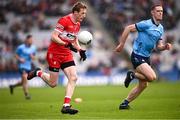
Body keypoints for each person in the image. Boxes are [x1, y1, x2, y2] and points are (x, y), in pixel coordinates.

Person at [27, 2, 87, 114]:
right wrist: (65, 44)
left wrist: (80, 50)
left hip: (66, 54)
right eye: (82, 13)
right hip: (54, 53)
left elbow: (74, 39)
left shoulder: (78, 24)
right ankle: (38, 73)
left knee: (73, 77)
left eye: (85, 13)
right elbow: (54, 36)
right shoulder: (64, 20)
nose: (84, 15)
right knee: (53, 83)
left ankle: (66, 106)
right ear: (75, 12)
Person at [115, 4, 172, 109]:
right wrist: (122, 44)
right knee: (152, 77)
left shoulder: (161, 28)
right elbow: (128, 28)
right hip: (137, 55)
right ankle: (132, 75)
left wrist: (165, 47)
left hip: (146, 57)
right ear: (152, 12)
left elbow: (158, 46)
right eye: (158, 11)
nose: (160, 13)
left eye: (162, 11)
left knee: (143, 85)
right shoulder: (146, 24)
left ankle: (124, 103)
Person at [9, 35, 36, 100]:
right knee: (24, 77)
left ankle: (12, 86)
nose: (31, 41)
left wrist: (32, 56)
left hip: (28, 67)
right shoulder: (21, 47)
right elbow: (15, 55)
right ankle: (27, 95)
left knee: (23, 82)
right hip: (22, 66)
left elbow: (34, 57)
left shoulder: (33, 48)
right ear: (27, 40)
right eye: (30, 40)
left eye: (32, 40)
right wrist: (20, 59)